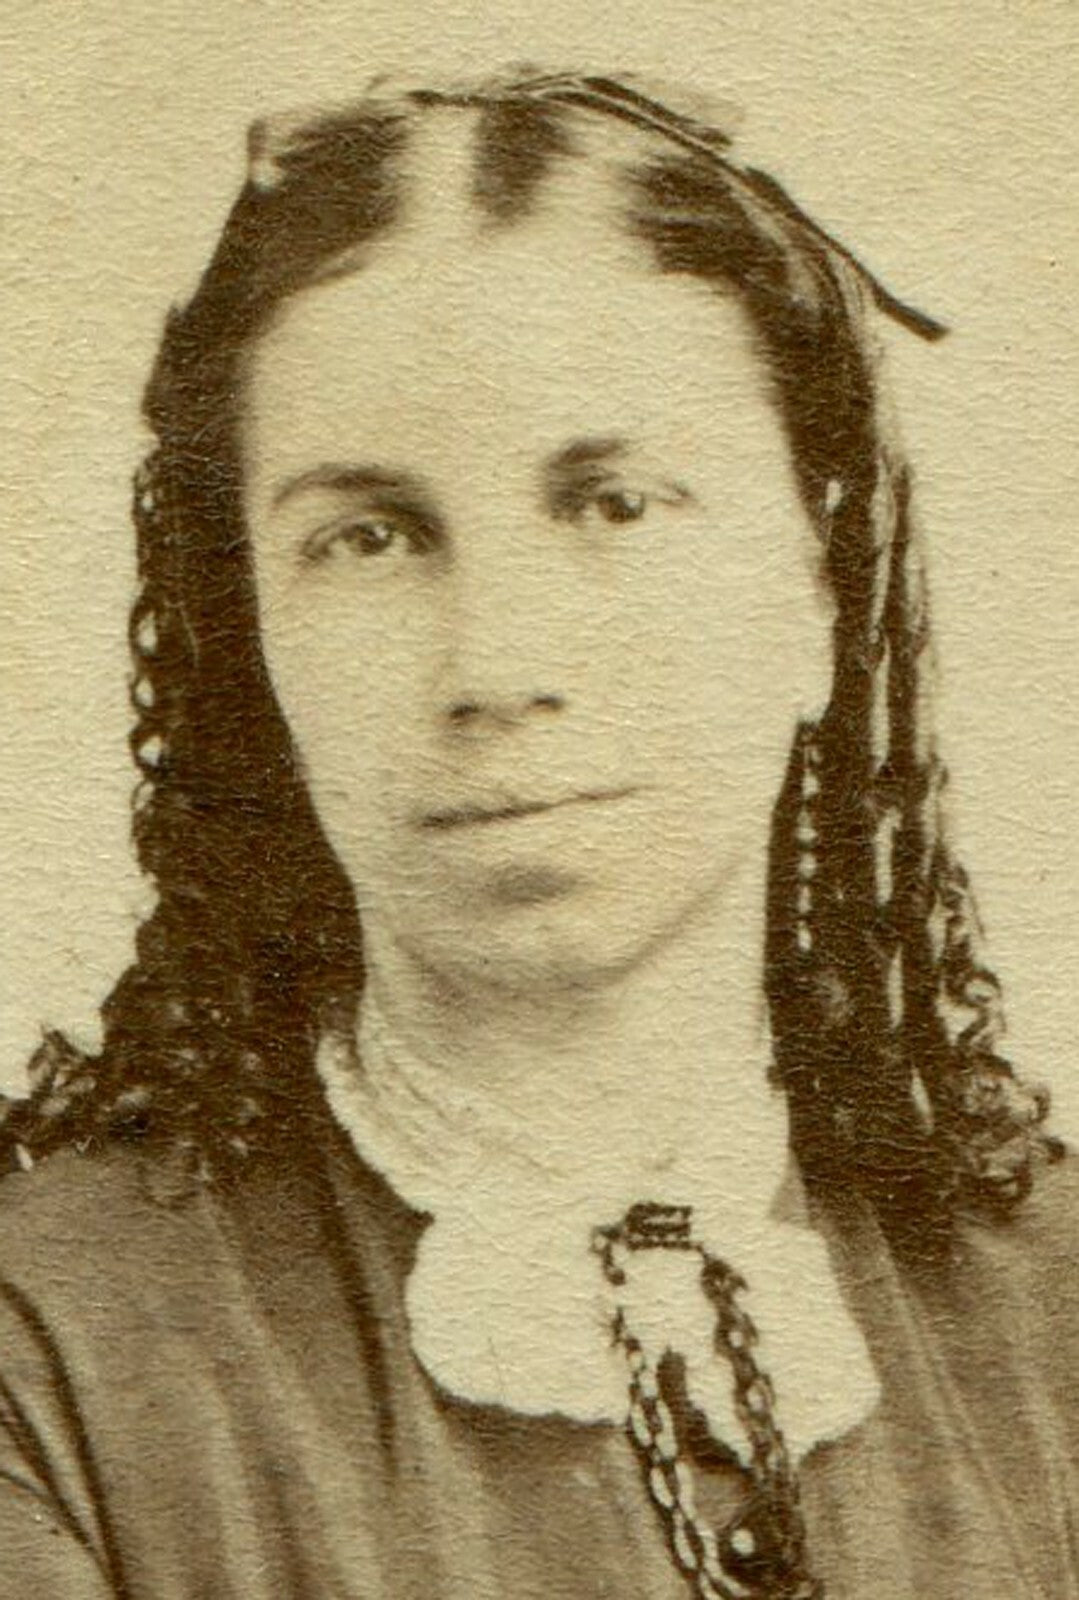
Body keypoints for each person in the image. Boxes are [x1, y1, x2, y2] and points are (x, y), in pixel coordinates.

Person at [0, 69, 1073, 1600]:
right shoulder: (45, 1358)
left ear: (819, 584)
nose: (497, 665)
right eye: (366, 539)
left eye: (618, 504)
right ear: (251, 630)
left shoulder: (1056, 1314)